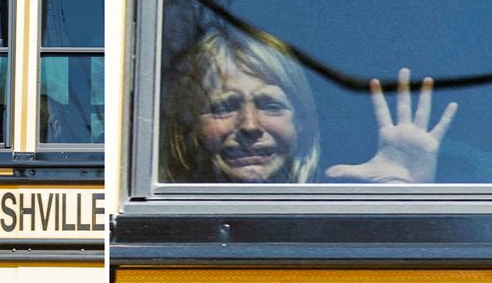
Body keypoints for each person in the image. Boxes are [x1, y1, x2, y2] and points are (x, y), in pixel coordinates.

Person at [159, 29, 457, 184]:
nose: (249, 125)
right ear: (190, 127)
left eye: (270, 104)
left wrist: (401, 191)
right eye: (224, 107)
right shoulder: (161, 224)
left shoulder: (336, 210)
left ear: (301, 124)